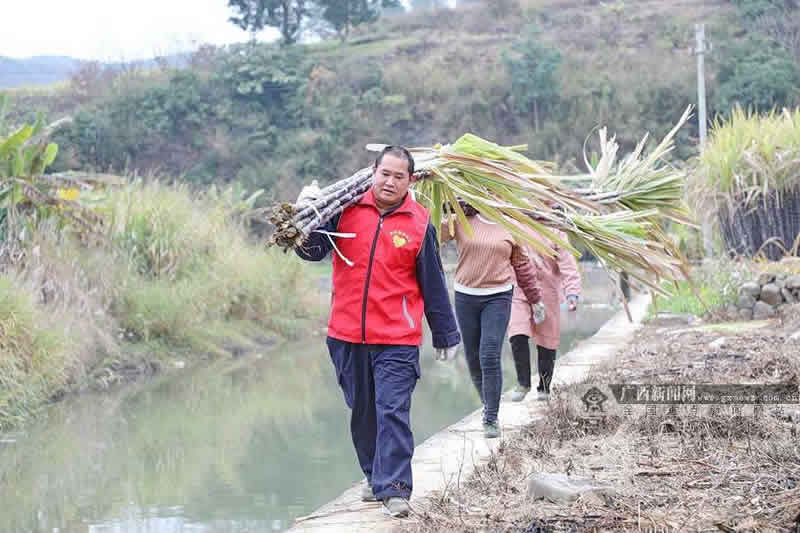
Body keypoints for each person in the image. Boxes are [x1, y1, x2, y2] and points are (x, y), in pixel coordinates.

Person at [295, 146, 460, 518]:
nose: (390, 181)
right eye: (385, 173)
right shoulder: (346, 209)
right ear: (373, 172)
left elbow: (433, 282)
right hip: (346, 333)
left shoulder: (419, 222)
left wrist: (445, 333)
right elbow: (312, 252)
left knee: (393, 411)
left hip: (396, 338)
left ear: (410, 181)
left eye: (399, 176)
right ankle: (375, 476)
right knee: (363, 413)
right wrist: (303, 214)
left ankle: (395, 488)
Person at [441, 204, 542, 439]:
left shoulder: (511, 225)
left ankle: (490, 417)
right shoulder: (460, 220)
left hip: (498, 296)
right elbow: (432, 236)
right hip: (466, 296)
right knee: (473, 358)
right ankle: (488, 402)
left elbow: (522, 265)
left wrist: (535, 299)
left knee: (489, 354)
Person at [507, 226, 581, 402]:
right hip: (519, 289)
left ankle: (544, 386)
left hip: (547, 290)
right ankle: (523, 382)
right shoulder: (514, 221)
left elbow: (568, 263)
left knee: (547, 339)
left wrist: (572, 292)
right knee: (517, 331)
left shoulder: (554, 228)